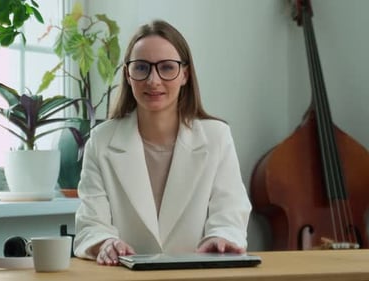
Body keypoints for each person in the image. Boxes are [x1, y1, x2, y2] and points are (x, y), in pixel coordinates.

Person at [73, 19, 252, 266]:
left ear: (185, 75)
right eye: (141, 67)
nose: (153, 80)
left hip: (198, 274)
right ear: (127, 73)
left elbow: (230, 212)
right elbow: (91, 223)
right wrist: (104, 243)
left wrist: (220, 238)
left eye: (167, 68)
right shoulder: (101, 141)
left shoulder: (216, 137)